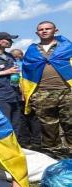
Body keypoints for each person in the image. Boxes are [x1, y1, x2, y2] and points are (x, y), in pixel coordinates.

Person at [22, 21, 72, 155]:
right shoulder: (32, 50)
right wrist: (27, 93)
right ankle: (54, 157)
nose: (44, 31)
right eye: (41, 29)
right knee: (48, 128)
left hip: (67, 92)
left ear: (55, 30)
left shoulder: (67, 46)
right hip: (42, 94)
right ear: (37, 33)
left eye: (48, 28)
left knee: (70, 124)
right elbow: (25, 72)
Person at [0, 32, 23, 138]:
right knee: (4, 125)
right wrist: (5, 72)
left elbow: (15, 74)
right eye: (8, 39)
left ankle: (16, 147)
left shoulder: (10, 56)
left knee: (16, 124)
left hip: (14, 95)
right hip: (0, 97)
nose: (11, 42)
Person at [11, 48, 41, 150]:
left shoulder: (15, 66)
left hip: (22, 95)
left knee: (24, 119)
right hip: (29, 94)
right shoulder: (28, 64)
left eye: (16, 56)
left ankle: (27, 141)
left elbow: (16, 82)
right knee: (32, 118)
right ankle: (35, 141)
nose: (16, 58)